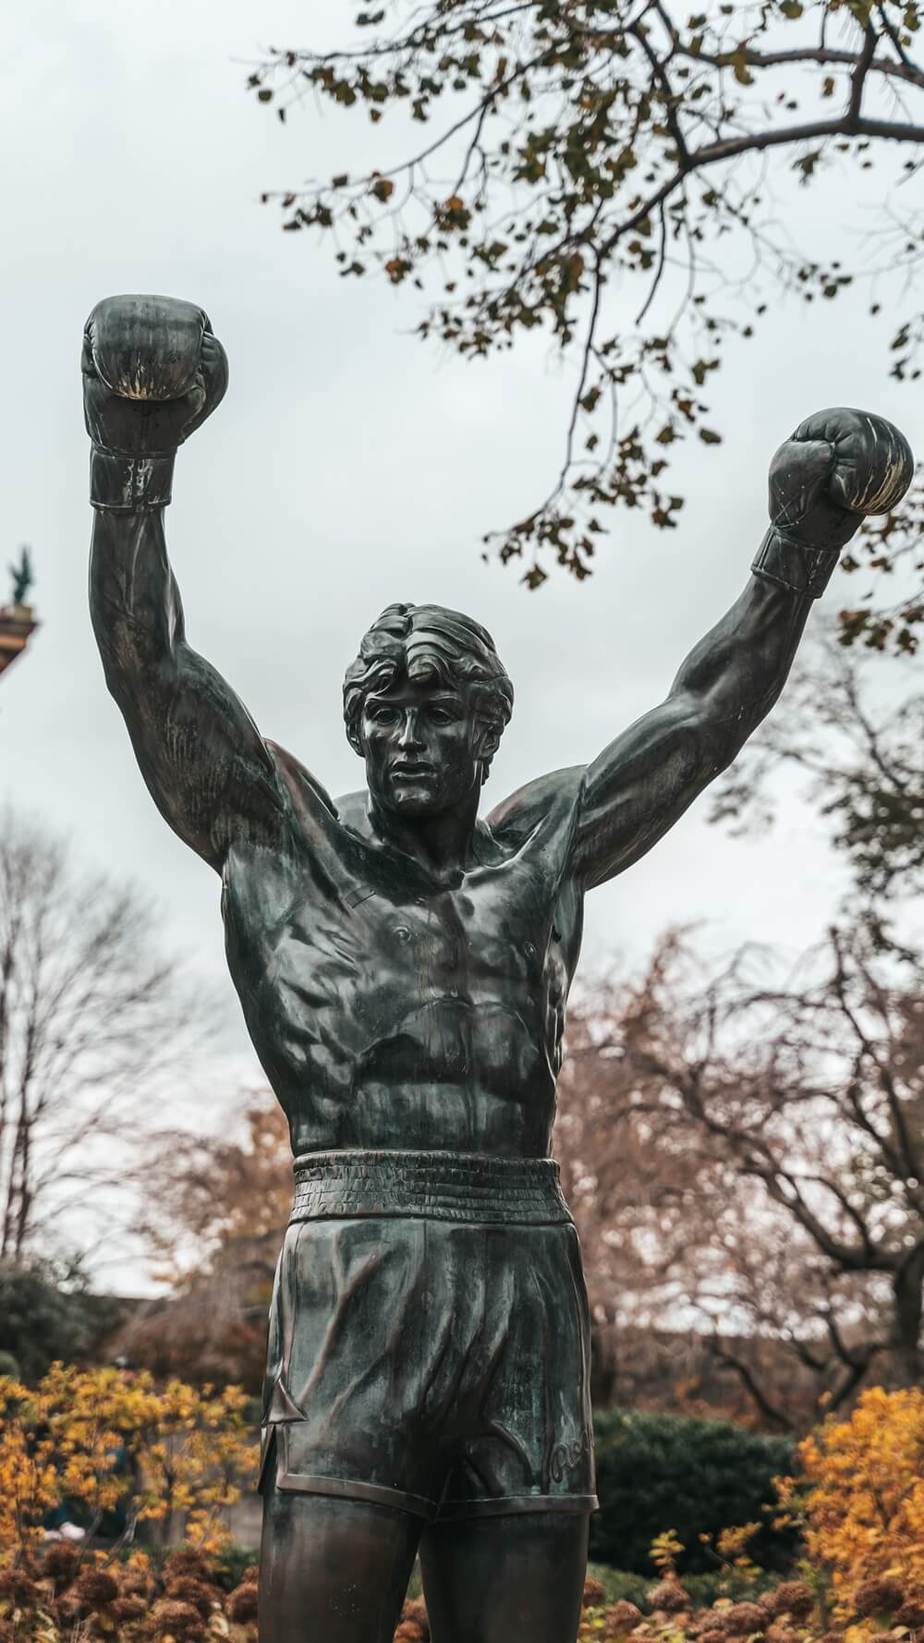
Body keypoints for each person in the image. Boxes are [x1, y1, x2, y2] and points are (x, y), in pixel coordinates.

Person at [83, 295, 912, 1643]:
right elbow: (149, 668)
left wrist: (797, 546)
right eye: (389, 710)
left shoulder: (544, 858)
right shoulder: (282, 843)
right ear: (357, 727)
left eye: (445, 712)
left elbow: (701, 721)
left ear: (488, 732)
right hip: (363, 1258)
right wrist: (133, 461)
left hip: (527, 1264)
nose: (413, 735)